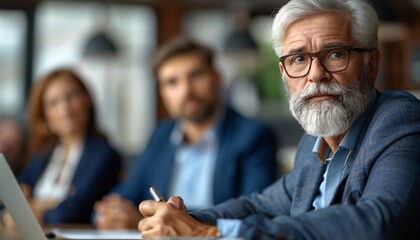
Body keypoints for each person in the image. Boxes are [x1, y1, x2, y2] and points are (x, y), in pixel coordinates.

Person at [137, 0, 420, 239]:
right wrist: (182, 218)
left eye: (335, 54)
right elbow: (259, 205)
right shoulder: (315, 141)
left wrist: (211, 234)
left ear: (372, 66)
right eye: (298, 59)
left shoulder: (399, 118)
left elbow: (378, 221)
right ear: (284, 74)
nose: (315, 74)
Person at [94, 37, 279, 229]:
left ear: (217, 78)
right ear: (162, 92)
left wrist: (160, 220)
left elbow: (255, 213)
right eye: (172, 82)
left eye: (196, 76)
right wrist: (111, 213)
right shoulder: (160, 135)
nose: (186, 90)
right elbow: (126, 196)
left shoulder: (253, 136)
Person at [1, 69, 122, 228]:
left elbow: (74, 210)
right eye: (53, 103)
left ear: (87, 100)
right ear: (44, 115)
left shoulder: (103, 155)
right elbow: (10, 201)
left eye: (71, 97)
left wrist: (29, 207)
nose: (65, 109)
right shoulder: (41, 156)